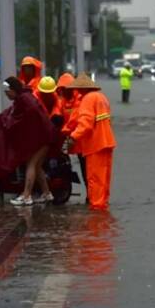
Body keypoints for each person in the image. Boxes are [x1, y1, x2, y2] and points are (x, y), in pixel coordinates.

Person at [0, 77, 56, 206]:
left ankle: (26, 196)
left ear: (13, 90)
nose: (6, 95)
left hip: (43, 138)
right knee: (37, 166)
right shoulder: (24, 98)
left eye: (7, 92)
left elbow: (20, 118)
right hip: (45, 136)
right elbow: (14, 116)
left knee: (31, 164)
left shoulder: (24, 99)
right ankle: (47, 193)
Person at [66, 73, 116, 211]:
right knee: (104, 180)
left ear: (80, 89)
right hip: (107, 142)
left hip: (95, 144)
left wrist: (73, 137)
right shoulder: (102, 97)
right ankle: (103, 207)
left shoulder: (87, 99)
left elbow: (86, 124)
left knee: (94, 179)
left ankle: (97, 212)